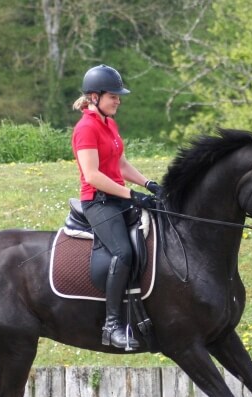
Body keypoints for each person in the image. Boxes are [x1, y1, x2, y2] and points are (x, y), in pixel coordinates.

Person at [71, 64, 160, 350]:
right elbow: (93, 175)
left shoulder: (109, 123)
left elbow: (120, 163)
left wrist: (148, 184)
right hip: (97, 201)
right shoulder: (85, 128)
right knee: (121, 252)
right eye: (114, 96)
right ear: (95, 97)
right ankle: (111, 326)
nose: (118, 101)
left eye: (119, 96)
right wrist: (131, 194)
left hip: (117, 196)